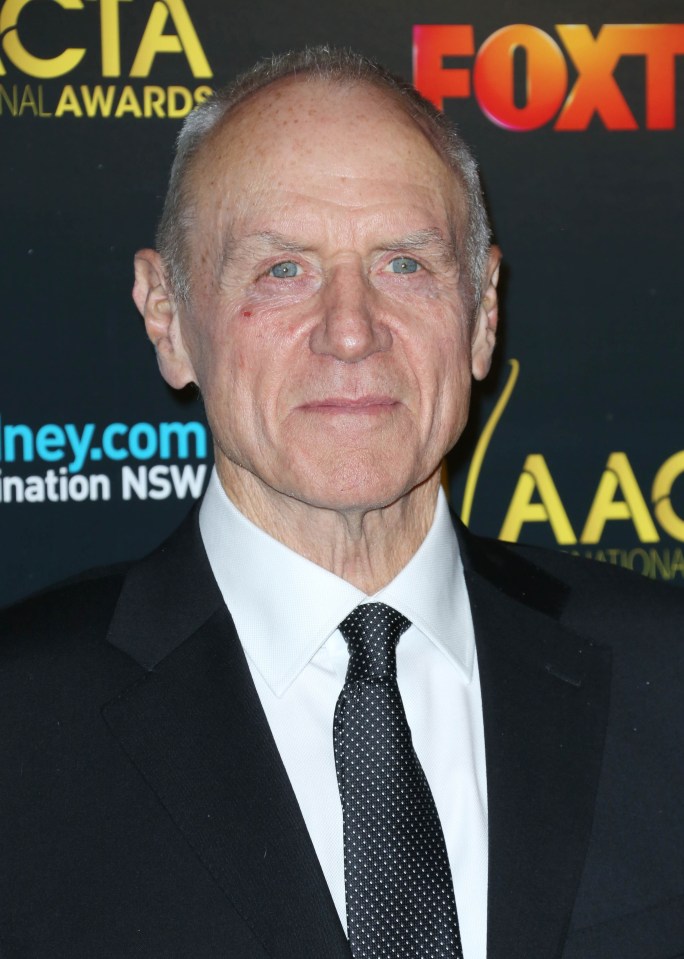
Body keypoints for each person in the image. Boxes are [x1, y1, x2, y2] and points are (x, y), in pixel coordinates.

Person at [1, 48, 682, 959]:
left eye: (404, 263)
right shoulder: (19, 728)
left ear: (482, 314)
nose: (352, 330)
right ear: (167, 317)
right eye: (283, 269)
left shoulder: (667, 675)